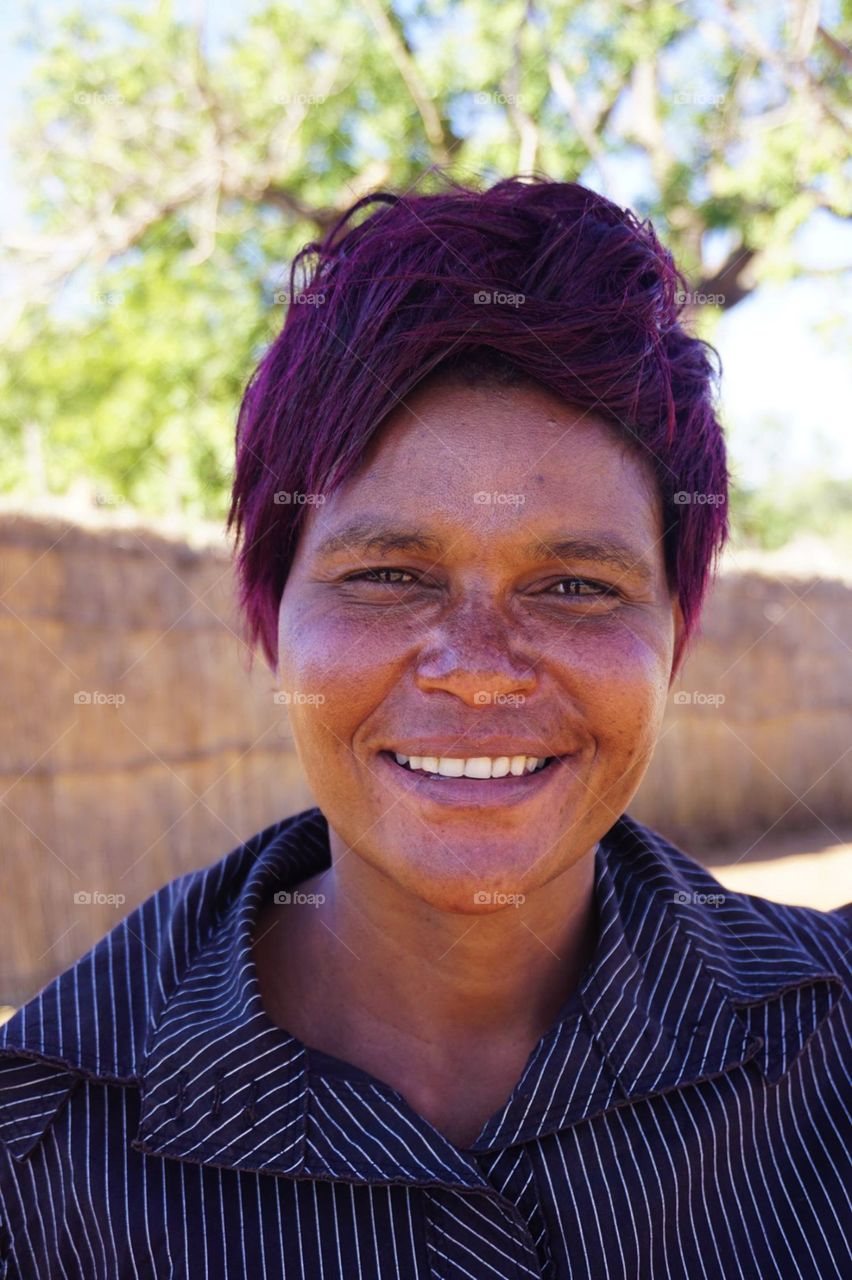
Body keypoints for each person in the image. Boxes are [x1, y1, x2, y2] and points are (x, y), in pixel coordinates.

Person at [0, 177, 848, 1279]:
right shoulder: (40, 1158)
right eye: (392, 574)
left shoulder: (828, 1055)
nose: (480, 670)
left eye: (577, 585)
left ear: (674, 637)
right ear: (270, 617)